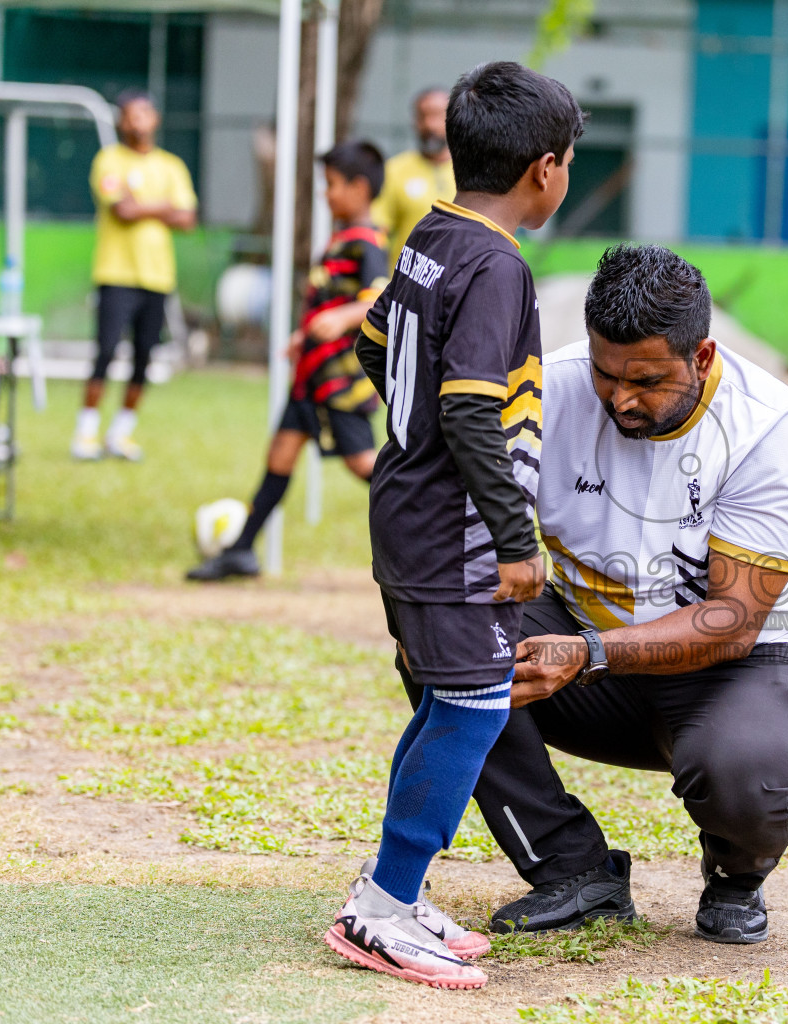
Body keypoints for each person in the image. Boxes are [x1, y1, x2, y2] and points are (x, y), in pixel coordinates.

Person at [473, 244, 788, 946]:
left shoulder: (770, 429)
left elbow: (734, 621)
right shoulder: (548, 391)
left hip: (748, 664)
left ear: (702, 357)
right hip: (596, 654)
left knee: (746, 772)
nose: (620, 398)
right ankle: (573, 869)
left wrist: (586, 653)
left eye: (645, 380)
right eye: (604, 373)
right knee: (449, 636)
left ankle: (738, 869)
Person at [323, 61, 583, 989]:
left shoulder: (432, 234)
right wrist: (517, 541)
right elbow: (474, 409)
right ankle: (383, 909)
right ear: (545, 170)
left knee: (445, 701)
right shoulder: (498, 264)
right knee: (472, 705)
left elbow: (375, 339)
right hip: (453, 533)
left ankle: (395, 888)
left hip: (405, 509)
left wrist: (409, 427)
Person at [186, 141, 390, 581]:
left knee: (362, 464)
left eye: (332, 185)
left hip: (339, 379)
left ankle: (432, 507)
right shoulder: (339, 240)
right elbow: (327, 301)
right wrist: (305, 334)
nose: (326, 194)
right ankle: (241, 551)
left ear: (359, 188)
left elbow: (378, 300)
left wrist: (340, 317)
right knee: (279, 456)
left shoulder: (367, 242)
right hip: (311, 375)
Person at [72, 90, 197, 462]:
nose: (136, 121)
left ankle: (120, 433)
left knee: (144, 357)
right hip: (116, 273)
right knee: (106, 351)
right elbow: (123, 210)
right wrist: (164, 207)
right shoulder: (109, 160)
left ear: (155, 118)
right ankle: (86, 431)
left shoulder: (172, 166)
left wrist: (146, 206)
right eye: (130, 115)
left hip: (157, 278)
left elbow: (187, 217)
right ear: (121, 122)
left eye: (143, 113)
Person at [372, 87, 455, 269]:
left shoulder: (471, 170)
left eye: (435, 116)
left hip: (457, 289)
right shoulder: (394, 170)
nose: (429, 125)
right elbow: (377, 232)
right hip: (405, 289)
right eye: (421, 117)